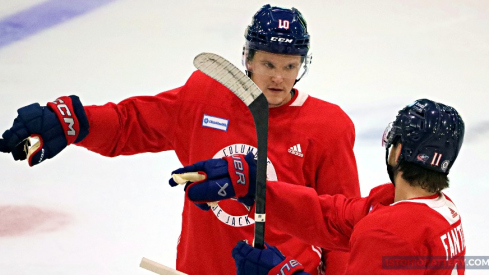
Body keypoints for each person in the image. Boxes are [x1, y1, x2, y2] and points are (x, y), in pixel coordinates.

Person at [0, 4, 360, 275]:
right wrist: (76, 122)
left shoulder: (327, 126)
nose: (279, 78)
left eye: (289, 66)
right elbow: (133, 123)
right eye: (268, 65)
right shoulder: (205, 96)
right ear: (248, 59)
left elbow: (344, 229)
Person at [176, 99, 466, 274]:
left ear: (396, 151)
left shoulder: (388, 233)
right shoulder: (435, 210)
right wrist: (257, 190)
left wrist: (281, 273)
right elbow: (331, 217)